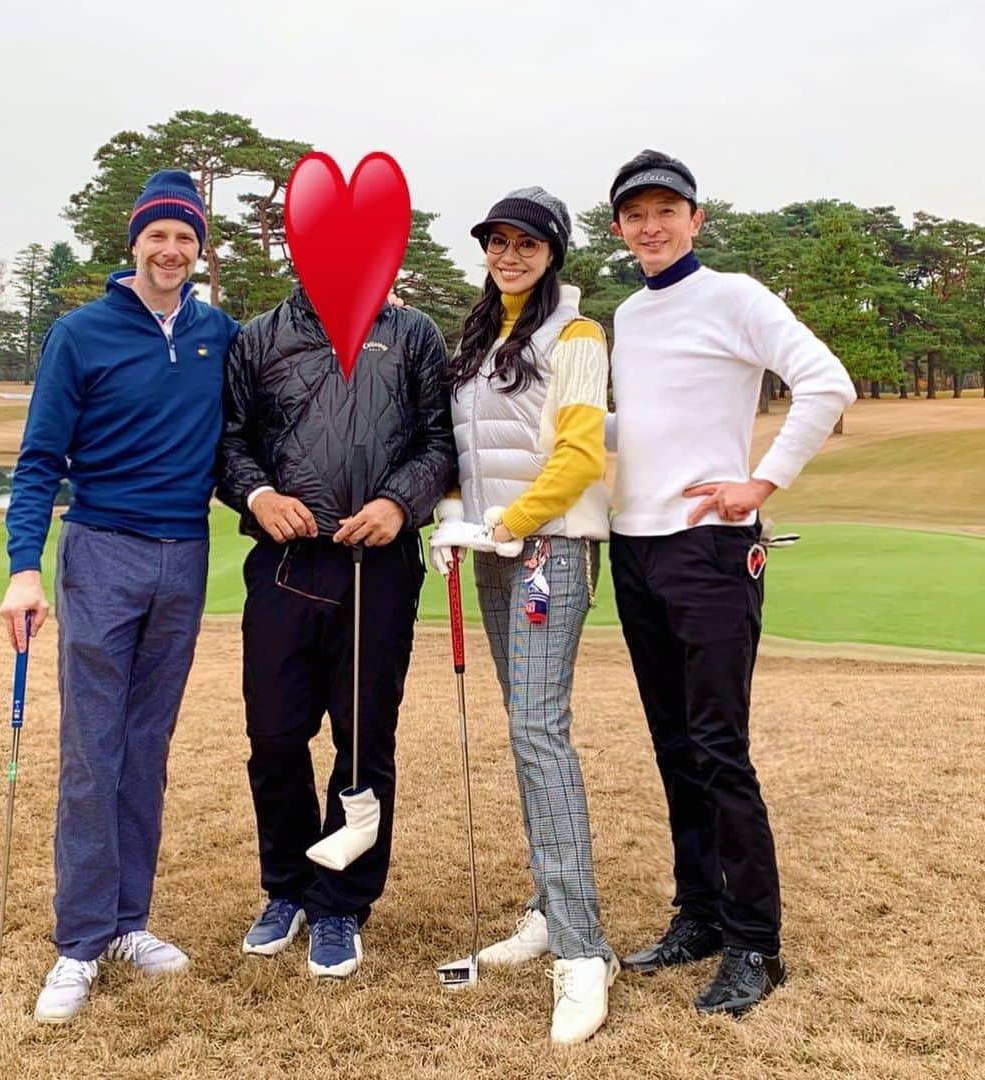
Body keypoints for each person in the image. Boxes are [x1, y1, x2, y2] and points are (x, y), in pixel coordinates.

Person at [605, 149, 857, 1016]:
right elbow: (638, 423)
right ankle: (700, 915)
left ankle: (754, 942)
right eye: (635, 214)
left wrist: (761, 481)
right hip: (632, 549)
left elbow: (827, 382)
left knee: (718, 750)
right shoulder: (628, 315)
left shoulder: (737, 294)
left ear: (695, 219)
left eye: (666, 211)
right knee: (674, 747)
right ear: (619, 229)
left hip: (708, 550)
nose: (651, 225)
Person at [0, 169, 240, 1024]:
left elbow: (243, 447)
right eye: (158, 236)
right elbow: (37, 464)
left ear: (199, 249)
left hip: (186, 557)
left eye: (186, 238)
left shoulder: (221, 334)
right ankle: (79, 940)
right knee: (94, 749)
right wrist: (25, 567)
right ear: (134, 242)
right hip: (102, 550)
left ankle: (128, 920)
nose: (171, 250)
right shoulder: (81, 332)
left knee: (147, 746)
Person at [217, 280, 455, 979]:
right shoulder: (259, 336)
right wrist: (259, 495)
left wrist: (398, 502)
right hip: (288, 562)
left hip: (377, 563)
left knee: (364, 741)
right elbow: (230, 442)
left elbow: (438, 443)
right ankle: (287, 887)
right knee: (276, 736)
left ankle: (340, 902)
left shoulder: (411, 333)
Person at [429, 187, 617, 1046]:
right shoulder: (479, 333)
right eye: (497, 242)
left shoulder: (577, 336)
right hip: (494, 553)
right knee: (523, 727)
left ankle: (584, 953)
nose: (509, 255)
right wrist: (453, 519)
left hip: (549, 554)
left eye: (526, 244)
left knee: (540, 732)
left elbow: (578, 455)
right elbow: (467, 448)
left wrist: (503, 526)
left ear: (553, 254)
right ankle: (548, 905)